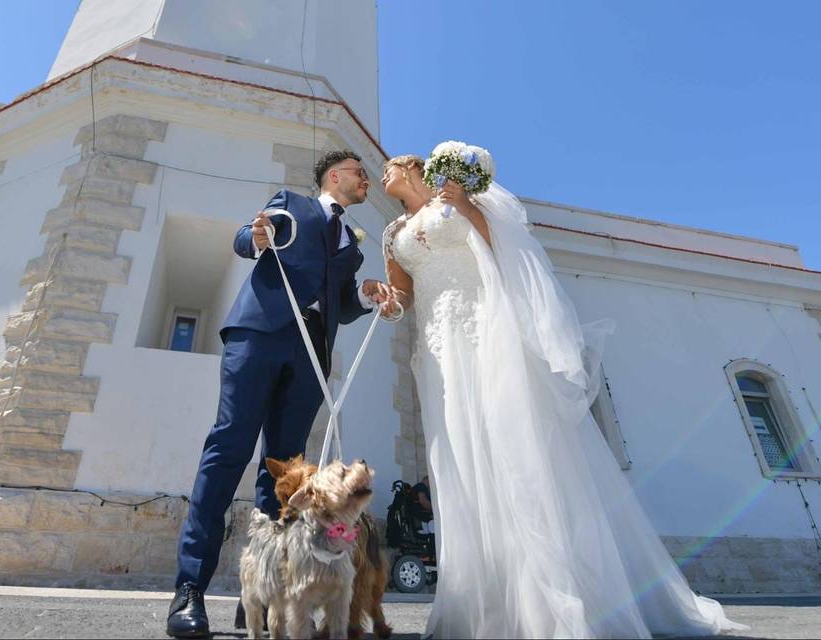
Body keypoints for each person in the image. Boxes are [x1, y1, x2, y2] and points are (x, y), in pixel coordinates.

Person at [378, 153, 745, 638]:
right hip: (439, 348)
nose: (383, 172)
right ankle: (483, 600)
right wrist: (388, 303)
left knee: (517, 447)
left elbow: (503, 250)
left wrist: (466, 206)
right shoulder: (391, 235)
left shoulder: (456, 202)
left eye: (391, 166)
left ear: (415, 169)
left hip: (488, 330)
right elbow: (402, 293)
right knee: (461, 459)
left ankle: (552, 598)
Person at [166, 150, 394, 639]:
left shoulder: (352, 245)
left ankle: (262, 600)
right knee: (228, 448)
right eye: (359, 173)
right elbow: (249, 238)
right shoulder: (292, 203)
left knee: (287, 474)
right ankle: (190, 590)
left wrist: (364, 293)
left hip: (312, 353)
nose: (366, 181)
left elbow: (342, 301)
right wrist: (256, 236)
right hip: (260, 335)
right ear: (335, 176)